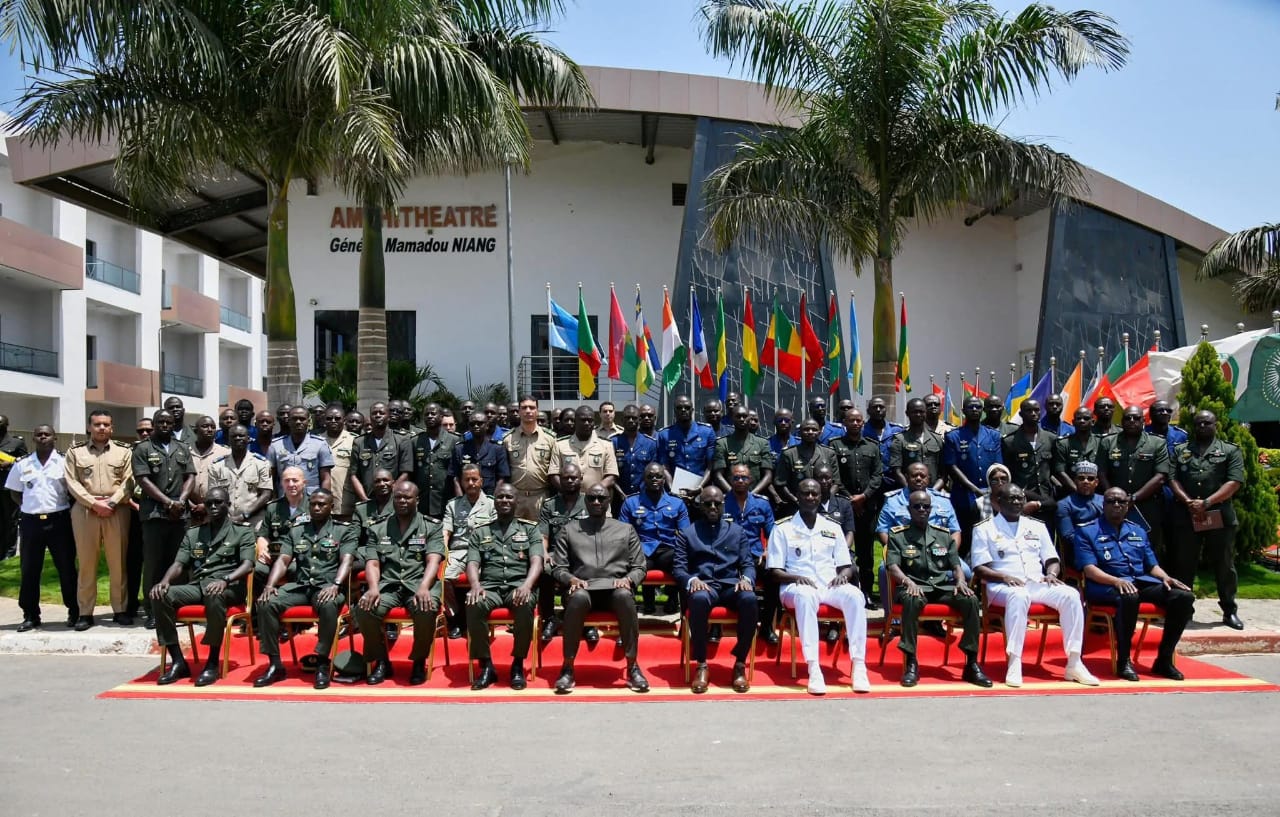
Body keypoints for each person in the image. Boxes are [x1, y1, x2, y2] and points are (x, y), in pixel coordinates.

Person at [971, 484, 1099, 687]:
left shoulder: (1037, 526)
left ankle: (1074, 662)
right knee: (1019, 596)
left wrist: (1051, 573)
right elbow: (979, 568)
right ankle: (1015, 661)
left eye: (1019, 498)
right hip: (1001, 587)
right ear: (998, 502)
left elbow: (1051, 558)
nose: (1016, 502)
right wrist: (1003, 577)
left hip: (1036, 582)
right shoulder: (984, 529)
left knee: (1071, 595)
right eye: (1011, 499)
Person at [1077, 487, 1195, 680]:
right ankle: (1124, 660)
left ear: (1127, 506)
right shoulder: (1087, 531)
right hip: (1105, 585)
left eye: (1121, 502)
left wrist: (1166, 578)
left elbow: (1151, 565)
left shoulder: (1137, 530)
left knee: (1183, 597)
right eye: (1111, 501)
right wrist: (1116, 581)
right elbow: (1089, 569)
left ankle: (1163, 660)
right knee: (1129, 596)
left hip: (1139, 582)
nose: (1116, 505)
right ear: (1103, 504)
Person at [766, 478, 870, 694]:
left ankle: (859, 664)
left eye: (815, 494)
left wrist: (844, 575)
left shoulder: (832, 527)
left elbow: (846, 564)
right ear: (797, 496)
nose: (811, 497)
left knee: (855, 596)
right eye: (806, 493)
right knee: (806, 596)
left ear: (821, 497)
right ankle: (814, 668)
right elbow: (774, 571)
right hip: (795, 588)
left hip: (829, 584)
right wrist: (795, 577)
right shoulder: (783, 528)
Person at [885, 491, 991, 688]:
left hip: (941, 587)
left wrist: (960, 582)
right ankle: (911, 662)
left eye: (926, 506)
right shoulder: (898, 536)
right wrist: (908, 582)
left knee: (970, 600)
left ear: (931, 509)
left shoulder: (943, 536)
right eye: (917, 506)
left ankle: (971, 662)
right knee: (910, 599)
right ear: (909, 510)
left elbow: (956, 565)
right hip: (914, 586)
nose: (922, 510)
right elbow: (892, 567)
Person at [252, 489, 357, 689]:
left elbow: (347, 560)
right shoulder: (297, 529)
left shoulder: (344, 530)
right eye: (313, 504)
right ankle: (275, 664)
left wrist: (336, 585)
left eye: (322, 504)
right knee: (266, 602)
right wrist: (269, 585)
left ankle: (322, 662)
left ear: (331, 507)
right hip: (301, 585)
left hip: (327, 586)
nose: (316, 507)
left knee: (328, 605)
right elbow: (283, 560)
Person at [552, 482, 648, 693]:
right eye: (592, 498)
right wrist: (570, 580)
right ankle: (567, 667)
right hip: (583, 589)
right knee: (577, 598)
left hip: (614, 589)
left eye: (601, 498)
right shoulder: (568, 530)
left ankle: (632, 666)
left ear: (608, 501)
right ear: (585, 501)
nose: (596, 502)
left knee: (624, 596)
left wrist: (629, 580)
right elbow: (558, 568)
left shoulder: (625, 529)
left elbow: (640, 566)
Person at [150, 488, 254, 686]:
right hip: (198, 586)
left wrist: (225, 579)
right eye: (209, 503)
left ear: (228, 505)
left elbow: (247, 565)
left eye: (218, 502)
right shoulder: (194, 533)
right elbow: (179, 564)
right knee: (159, 595)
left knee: (215, 594)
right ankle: (178, 661)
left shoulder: (242, 532)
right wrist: (164, 582)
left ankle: (212, 662)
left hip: (229, 587)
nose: (213, 507)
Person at [356, 480, 446, 685]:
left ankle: (418, 661)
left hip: (418, 583)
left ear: (417, 500)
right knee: (363, 609)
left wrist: (424, 587)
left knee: (427, 607)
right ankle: (381, 661)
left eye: (407, 497)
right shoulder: (378, 528)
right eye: (398, 497)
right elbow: (372, 562)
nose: (402, 501)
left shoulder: (430, 526)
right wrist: (372, 588)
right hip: (389, 585)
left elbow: (434, 559)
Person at [464, 483, 545, 690]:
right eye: (500, 497)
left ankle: (517, 664)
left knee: (526, 604)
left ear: (516, 501)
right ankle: (486, 666)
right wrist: (474, 585)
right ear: (494, 501)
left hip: (519, 586)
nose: (504, 501)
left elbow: (537, 560)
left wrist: (527, 586)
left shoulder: (530, 529)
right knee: (473, 604)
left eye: (509, 497)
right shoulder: (480, 532)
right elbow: (472, 562)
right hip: (490, 587)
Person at [676, 486, 757, 693]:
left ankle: (739, 663)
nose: (712, 507)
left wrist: (746, 579)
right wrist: (692, 579)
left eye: (717, 503)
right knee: (699, 599)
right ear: (700, 506)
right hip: (705, 586)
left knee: (749, 598)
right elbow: (679, 568)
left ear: (723, 504)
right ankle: (702, 664)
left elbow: (747, 563)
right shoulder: (688, 533)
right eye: (707, 503)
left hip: (731, 586)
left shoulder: (737, 532)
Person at [1169, 410, 1245, 630]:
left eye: (1207, 423)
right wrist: (1189, 502)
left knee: (1224, 566)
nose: (1203, 426)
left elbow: (1234, 482)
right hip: (1186, 515)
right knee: (1184, 565)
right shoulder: (1181, 451)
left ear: (1216, 425)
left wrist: (1207, 503)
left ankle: (1229, 610)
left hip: (1219, 516)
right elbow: (1172, 478)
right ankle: (1184, 611)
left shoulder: (1230, 450)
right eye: (1199, 423)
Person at [64, 409, 134, 627]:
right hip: (86, 510)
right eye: (97, 424)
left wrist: (111, 502)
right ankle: (85, 612)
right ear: (89, 427)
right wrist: (94, 503)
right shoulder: (75, 452)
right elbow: (72, 482)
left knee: (118, 562)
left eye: (106, 424)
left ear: (112, 427)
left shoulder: (123, 451)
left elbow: (129, 480)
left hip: (117, 510)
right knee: (86, 563)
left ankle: (120, 609)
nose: (101, 428)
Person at [6, 425, 77, 632]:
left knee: (66, 568)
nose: (43, 437)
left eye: (47, 434)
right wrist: (29, 508)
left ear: (54, 438)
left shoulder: (64, 462)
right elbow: (15, 493)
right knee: (29, 570)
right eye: (39, 434)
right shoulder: (23, 464)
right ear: (34, 438)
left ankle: (74, 611)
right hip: (31, 522)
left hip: (59, 521)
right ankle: (30, 615)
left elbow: (72, 492)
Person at [132, 409, 195, 629]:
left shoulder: (182, 448)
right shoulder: (143, 448)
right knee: (153, 564)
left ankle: (176, 608)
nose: (165, 425)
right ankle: (152, 611)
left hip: (180, 515)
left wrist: (182, 500)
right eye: (161, 422)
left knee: (179, 562)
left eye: (169, 422)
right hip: (155, 514)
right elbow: (143, 480)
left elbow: (190, 477)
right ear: (155, 424)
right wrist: (168, 502)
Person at [829, 408, 883, 608]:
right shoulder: (835, 445)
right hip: (843, 506)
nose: (855, 423)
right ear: (845, 422)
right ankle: (840, 589)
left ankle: (866, 591)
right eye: (851, 420)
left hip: (867, 507)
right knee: (841, 548)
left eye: (858, 420)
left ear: (863, 423)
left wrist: (864, 497)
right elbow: (835, 476)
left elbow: (878, 476)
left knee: (866, 552)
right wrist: (851, 499)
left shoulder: (872, 446)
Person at [1099, 405, 1171, 555]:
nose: (1132, 421)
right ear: (1122, 421)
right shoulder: (1108, 442)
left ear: (1143, 420)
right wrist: (1114, 497)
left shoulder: (1157, 443)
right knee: (1114, 545)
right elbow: (1101, 472)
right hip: (1115, 505)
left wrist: (1134, 497)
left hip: (1147, 505)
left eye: (1136, 418)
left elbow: (1161, 476)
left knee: (1149, 547)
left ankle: (1148, 578)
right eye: (1128, 418)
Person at [620, 462, 690, 614]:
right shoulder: (631, 502)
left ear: (664, 479)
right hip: (642, 548)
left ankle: (673, 600)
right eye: (650, 476)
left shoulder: (677, 503)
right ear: (644, 479)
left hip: (668, 549)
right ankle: (647, 602)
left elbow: (685, 533)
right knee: (638, 563)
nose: (654, 479)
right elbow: (623, 533)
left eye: (659, 476)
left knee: (680, 558)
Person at [724, 462, 777, 643]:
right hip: (727, 557)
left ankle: (767, 625)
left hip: (755, 556)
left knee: (774, 577)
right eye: (736, 477)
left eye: (744, 477)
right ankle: (716, 626)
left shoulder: (761, 504)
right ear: (730, 480)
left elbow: (773, 533)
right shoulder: (721, 503)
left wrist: (769, 550)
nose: (740, 480)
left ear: (751, 480)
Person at [442, 463, 496, 637]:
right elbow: (446, 533)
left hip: (482, 551)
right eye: (467, 480)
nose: (471, 483)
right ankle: (456, 618)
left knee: (487, 577)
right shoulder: (453, 505)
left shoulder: (491, 504)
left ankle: (481, 618)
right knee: (444, 577)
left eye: (474, 479)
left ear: (481, 480)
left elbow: (497, 533)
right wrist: (445, 554)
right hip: (459, 551)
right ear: (461, 482)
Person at [943, 396, 1004, 554]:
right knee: (965, 536)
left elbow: (998, 467)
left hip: (989, 494)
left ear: (983, 411)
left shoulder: (993, 436)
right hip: (963, 495)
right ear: (963, 411)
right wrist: (973, 488)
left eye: (978, 407)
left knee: (990, 536)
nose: (975, 410)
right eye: (971, 407)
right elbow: (951, 466)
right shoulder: (953, 436)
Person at [537, 462, 588, 642]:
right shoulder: (550, 505)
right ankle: (550, 619)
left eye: (574, 477)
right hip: (556, 555)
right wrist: (544, 553)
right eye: (566, 477)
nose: (570, 481)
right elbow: (543, 535)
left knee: (592, 571)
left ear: (581, 479)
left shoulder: (590, 503)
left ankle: (586, 623)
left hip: (583, 557)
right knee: (543, 571)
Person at [1000, 400, 1058, 526]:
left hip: (1046, 498)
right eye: (1029, 410)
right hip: (1022, 499)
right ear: (1021, 414)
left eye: (1036, 410)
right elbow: (1007, 473)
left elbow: (1054, 469)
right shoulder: (1010, 441)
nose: (1033, 413)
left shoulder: (1050, 438)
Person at [207, 424, 273, 529]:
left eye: (241, 436)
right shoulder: (217, 466)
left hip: (253, 522)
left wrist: (244, 515)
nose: (238, 438)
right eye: (234, 436)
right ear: (228, 440)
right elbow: (212, 495)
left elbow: (266, 495)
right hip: (224, 522)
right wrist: (227, 517)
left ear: (248, 439)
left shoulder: (261, 463)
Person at [256, 466, 309, 592]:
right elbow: (263, 535)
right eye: (286, 480)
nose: (291, 484)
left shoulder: (313, 506)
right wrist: (263, 550)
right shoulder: (273, 507)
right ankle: (261, 604)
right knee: (257, 570)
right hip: (275, 554)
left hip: (299, 554)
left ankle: (289, 601)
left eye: (295, 480)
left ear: (304, 483)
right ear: (281, 483)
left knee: (294, 569)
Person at [502, 394, 556, 520]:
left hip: (541, 497)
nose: (528, 411)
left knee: (540, 536)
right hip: (516, 497)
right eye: (524, 408)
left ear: (537, 411)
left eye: (532, 408)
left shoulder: (550, 438)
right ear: (519, 411)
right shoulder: (507, 439)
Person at [351, 402, 413, 505]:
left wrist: (391, 494)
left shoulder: (402, 440)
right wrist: (364, 498)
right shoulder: (359, 442)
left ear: (388, 416)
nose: (378, 415)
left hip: (393, 500)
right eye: (374, 413)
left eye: (381, 413)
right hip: (367, 499)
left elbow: (406, 473)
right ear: (370, 417)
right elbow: (353, 475)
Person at [549, 405, 618, 495]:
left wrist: (594, 492)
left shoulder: (606, 445)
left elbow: (611, 476)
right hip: (567, 503)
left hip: (596, 502)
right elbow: (553, 475)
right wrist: (568, 493)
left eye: (590, 420)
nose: (587, 423)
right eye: (583, 420)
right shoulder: (560, 445)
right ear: (575, 422)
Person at [408, 402, 460, 521]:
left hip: (445, 500)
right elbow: (412, 473)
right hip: (422, 501)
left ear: (441, 417)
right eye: (427, 414)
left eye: (433, 413)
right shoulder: (415, 441)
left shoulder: (454, 440)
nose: (430, 416)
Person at [657, 395, 716, 499]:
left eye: (687, 408)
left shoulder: (706, 432)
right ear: (674, 410)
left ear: (692, 410)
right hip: (675, 493)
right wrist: (672, 489)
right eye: (679, 408)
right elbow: (664, 466)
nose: (683, 410)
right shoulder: (664, 435)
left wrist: (700, 487)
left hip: (702, 493)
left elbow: (710, 466)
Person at [266, 405, 333, 496]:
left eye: (302, 419)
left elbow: (326, 478)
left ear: (308, 421)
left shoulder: (320, 444)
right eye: (294, 419)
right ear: (289, 421)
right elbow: (271, 479)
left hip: (311, 500)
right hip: (284, 500)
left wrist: (324, 500)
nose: (298, 422)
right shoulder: (275, 445)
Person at [774, 419, 840, 509]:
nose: (810, 432)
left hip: (823, 505)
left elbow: (836, 482)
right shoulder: (789, 454)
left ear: (819, 432)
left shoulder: (829, 453)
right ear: (799, 432)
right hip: (796, 506)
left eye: (814, 430)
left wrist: (824, 501)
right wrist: (796, 500)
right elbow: (781, 484)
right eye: (806, 429)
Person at [713, 405, 774, 495]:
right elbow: (718, 475)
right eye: (738, 416)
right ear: (732, 418)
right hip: (731, 496)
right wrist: (733, 495)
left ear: (749, 418)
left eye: (745, 416)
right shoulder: (722, 443)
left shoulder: (762, 443)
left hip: (755, 496)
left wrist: (751, 496)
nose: (742, 419)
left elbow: (768, 476)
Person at [888, 398, 945, 489]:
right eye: (914, 412)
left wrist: (933, 492)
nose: (918, 414)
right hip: (908, 493)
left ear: (926, 413)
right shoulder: (900, 439)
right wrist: (909, 490)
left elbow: (943, 473)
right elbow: (896, 471)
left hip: (933, 492)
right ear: (907, 413)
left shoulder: (937, 439)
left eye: (921, 411)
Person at [1055, 462, 1103, 570]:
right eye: (1081, 478)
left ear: (1096, 482)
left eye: (1090, 479)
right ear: (1075, 481)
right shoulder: (1064, 505)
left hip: (1108, 547)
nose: (1086, 481)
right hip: (1081, 551)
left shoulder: (1105, 501)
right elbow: (1068, 536)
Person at [452, 411, 511, 495]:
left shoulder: (497, 449)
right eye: (472, 424)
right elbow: (455, 478)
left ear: (487, 425)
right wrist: (460, 501)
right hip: (466, 498)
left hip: (490, 497)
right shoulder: (459, 449)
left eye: (479, 423)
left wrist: (493, 502)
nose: (476, 426)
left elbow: (502, 478)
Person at [188, 415, 230, 526]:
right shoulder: (185, 451)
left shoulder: (225, 452)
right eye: (205, 426)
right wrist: (191, 505)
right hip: (189, 509)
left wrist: (206, 505)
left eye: (213, 427)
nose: (210, 429)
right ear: (195, 430)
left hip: (216, 510)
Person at [612, 403, 659, 502]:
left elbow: (651, 473)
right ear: (622, 420)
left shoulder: (650, 443)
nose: (630, 421)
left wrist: (640, 493)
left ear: (639, 420)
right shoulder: (613, 442)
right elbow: (610, 472)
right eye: (627, 418)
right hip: (618, 497)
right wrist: (621, 493)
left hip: (644, 497)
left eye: (634, 418)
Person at [1053, 407, 1101, 494]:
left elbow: (1104, 471)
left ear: (1093, 422)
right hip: (1071, 493)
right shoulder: (1063, 443)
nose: (1082, 421)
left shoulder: (1101, 442)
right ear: (1073, 422)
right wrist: (1078, 491)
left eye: (1086, 418)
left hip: (1097, 493)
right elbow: (1060, 471)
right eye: (1079, 418)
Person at [320, 405, 356, 520]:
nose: (333, 421)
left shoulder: (354, 440)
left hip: (345, 500)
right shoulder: (317, 440)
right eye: (329, 418)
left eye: (337, 418)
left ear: (344, 420)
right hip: (320, 501)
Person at [0, 414, 27, 560]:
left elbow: (24, 463)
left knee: (10, 521)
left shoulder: (16, 443)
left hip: (8, 488)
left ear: (6, 425)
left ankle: (9, 553)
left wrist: (9, 464)